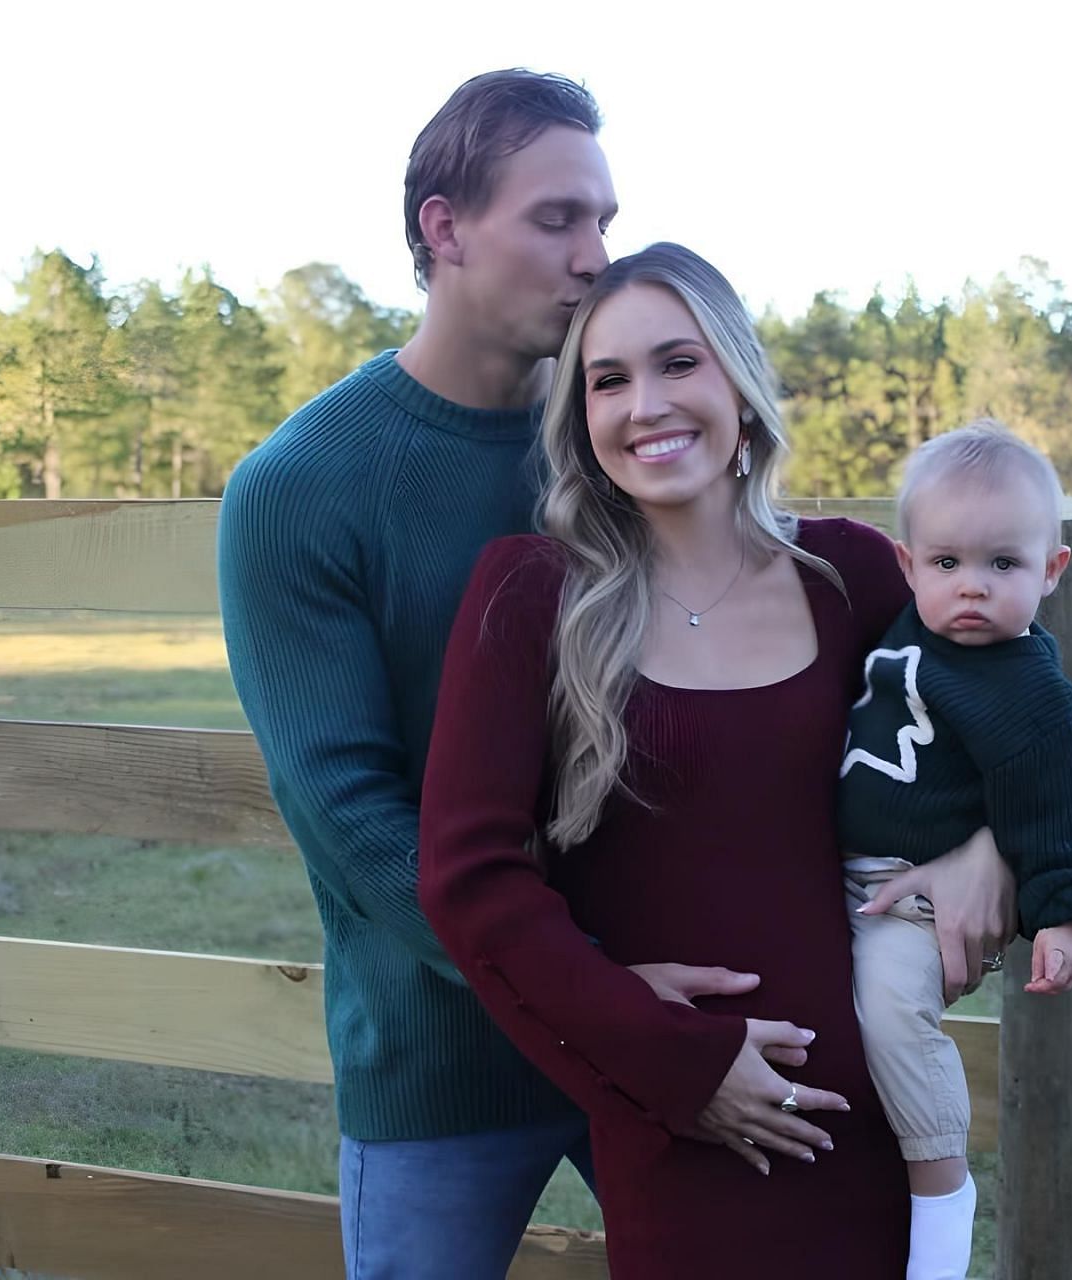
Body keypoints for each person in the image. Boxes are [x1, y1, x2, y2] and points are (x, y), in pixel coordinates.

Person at [417, 243, 1017, 1278]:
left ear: (738, 379)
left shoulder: (855, 577)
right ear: (580, 416)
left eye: (678, 362)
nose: (646, 402)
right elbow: (468, 879)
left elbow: (1016, 714)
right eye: (608, 379)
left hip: (875, 1118)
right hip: (686, 1127)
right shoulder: (531, 594)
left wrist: (993, 847)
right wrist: (669, 1060)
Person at [217, 70, 620, 1280]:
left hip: (662, 1022)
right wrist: (578, 988)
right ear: (444, 228)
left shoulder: (627, 438)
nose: (597, 255)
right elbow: (349, 813)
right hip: (442, 1052)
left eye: (605, 219)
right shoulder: (300, 487)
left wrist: (969, 836)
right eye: (558, 219)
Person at [836, 421, 1072, 1280]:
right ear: (909, 565)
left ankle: (939, 1199)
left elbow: (1060, 810)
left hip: (912, 907)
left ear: (1052, 572)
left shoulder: (1029, 690)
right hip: (831, 880)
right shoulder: (900, 629)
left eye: (1004, 565)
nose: (973, 590)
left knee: (889, 1012)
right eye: (948, 564)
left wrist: (1064, 919)